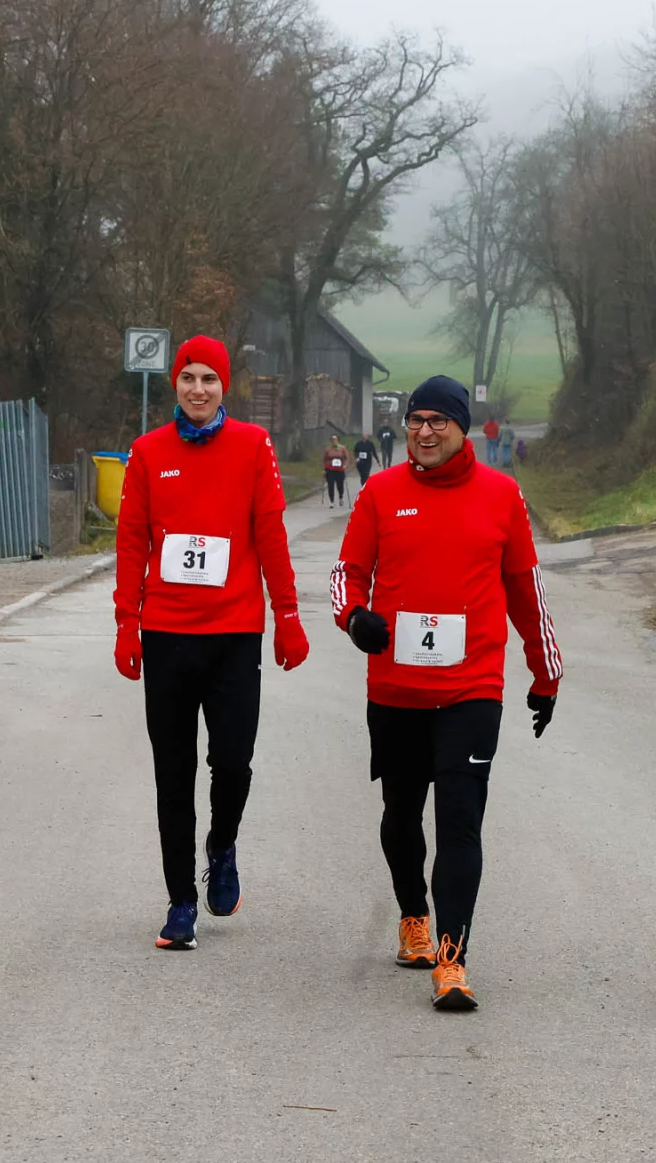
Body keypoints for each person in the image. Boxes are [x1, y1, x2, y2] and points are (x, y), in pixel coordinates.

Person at [330, 374, 563, 1012]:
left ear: (463, 429)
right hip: (397, 689)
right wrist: (355, 617)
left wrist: (546, 674)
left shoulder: (502, 495)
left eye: (439, 421)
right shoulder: (381, 492)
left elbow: (526, 591)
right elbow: (346, 574)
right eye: (416, 420)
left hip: (471, 689)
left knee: (460, 821)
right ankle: (414, 916)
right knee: (402, 816)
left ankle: (452, 960)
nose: (425, 432)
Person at [113, 335, 309, 951]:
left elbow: (271, 533)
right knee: (172, 774)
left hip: (233, 636)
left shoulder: (253, 446)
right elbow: (132, 541)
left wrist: (287, 613)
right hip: (167, 635)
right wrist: (126, 622)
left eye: (209, 379)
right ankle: (180, 902)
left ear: (226, 387)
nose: (198, 389)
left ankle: (221, 846)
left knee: (232, 763)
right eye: (188, 377)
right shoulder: (148, 452)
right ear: (175, 383)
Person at [322, 435, 349, 508]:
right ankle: (332, 502)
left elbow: (346, 458)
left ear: (337, 440)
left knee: (340, 485)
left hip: (339, 469)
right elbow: (324, 459)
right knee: (330, 485)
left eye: (335, 439)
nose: (334, 441)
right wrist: (324, 469)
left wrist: (345, 465)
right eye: (332, 439)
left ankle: (341, 497)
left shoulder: (342, 448)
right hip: (330, 469)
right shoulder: (328, 449)